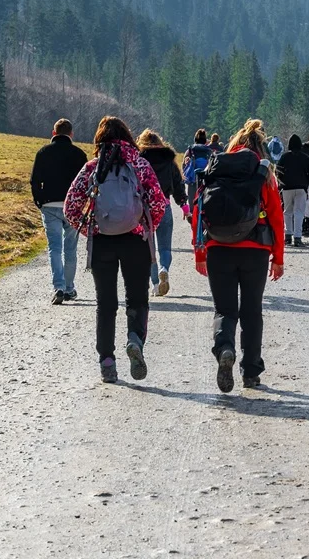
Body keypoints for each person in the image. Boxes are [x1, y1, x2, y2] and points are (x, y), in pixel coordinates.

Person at [64, 117, 169, 384]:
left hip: (103, 242)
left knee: (106, 303)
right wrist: (145, 227)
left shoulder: (92, 168)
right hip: (135, 241)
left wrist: (92, 229)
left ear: (99, 139)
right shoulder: (140, 165)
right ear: (128, 137)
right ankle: (134, 340)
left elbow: (71, 207)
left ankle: (107, 362)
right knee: (137, 299)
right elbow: (159, 203)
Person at [192, 119, 285, 392]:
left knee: (224, 309)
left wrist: (199, 250)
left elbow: (199, 210)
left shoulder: (215, 167)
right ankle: (251, 371)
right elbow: (277, 218)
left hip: (218, 248)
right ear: (260, 147)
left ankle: (225, 348)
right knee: (252, 311)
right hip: (255, 251)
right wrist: (278, 257)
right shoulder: (263, 172)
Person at [30, 118, 89, 305]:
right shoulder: (79, 155)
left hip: (49, 205)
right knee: (70, 249)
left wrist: (40, 201)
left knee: (54, 248)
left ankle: (59, 287)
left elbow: (34, 180)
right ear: (71, 134)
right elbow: (86, 182)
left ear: (53, 133)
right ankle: (70, 288)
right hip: (72, 207)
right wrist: (82, 203)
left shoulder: (43, 152)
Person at [138, 129, 190, 297]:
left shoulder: (139, 160)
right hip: (165, 206)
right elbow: (178, 185)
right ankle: (164, 269)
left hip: (144, 209)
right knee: (165, 247)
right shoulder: (169, 161)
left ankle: (154, 284)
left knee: (149, 249)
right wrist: (185, 207)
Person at [276, 134, 309, 247]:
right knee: (299, 212)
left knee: (287, 211)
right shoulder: (305, 157)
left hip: (287, 187)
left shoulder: (284, 157)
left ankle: (288, 236)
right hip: (301, 187)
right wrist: (307, 182)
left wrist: (281, 183)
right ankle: (298, 237)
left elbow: (278, 171)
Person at [183, 128, 216, 198]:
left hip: (193, 179)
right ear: (205, 140)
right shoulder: (209, 150)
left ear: (195, 139)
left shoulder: (190, 150)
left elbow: (184, 165)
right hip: (206, 178)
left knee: (191, 200)